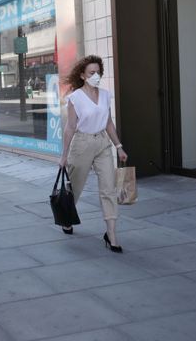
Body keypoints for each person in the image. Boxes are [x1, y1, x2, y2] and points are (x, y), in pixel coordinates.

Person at [59, 55, 128, 252]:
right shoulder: (75, 98)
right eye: (91, 72)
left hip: (102, 145)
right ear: (82, 75)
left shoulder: (106, 95)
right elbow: (70, 127)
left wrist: (119, 146)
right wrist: (64, 156)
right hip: (81, 144)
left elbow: (108, 123)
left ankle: (112, 235)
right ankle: (67, 218)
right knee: (76, 188)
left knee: (109, 188)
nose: (96, 75)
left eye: (98, 72)